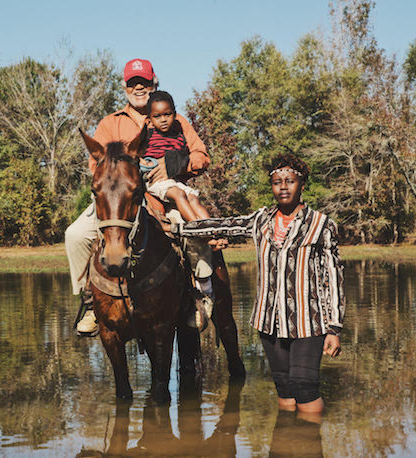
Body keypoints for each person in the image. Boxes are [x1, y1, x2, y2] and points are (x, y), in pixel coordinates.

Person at [65, 58, 221, 336]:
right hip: (118, 202)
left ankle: (198, 296)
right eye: (132, 83)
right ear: (125, 87)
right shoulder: (110, 123)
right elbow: (95, 166)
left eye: (144, 83)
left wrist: (173, 164)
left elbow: (202, 156)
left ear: (153, 83)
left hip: (165, 197)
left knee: (191, 232)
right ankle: (89, 302)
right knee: (75, 235)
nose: (138, 88)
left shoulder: (174, 118)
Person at [178, 153, 345, 412]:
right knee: (284, 386)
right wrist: (178, 229)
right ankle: (284, 441)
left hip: (309, 322)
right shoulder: (261, 220)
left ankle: (310, 441)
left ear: (302, 184)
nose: (283, 187)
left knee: (304, 385)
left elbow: (333, 277)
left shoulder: (322, 225)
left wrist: (334, 329)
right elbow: (223, 225)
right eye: (277, 182)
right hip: (269, 320)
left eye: (290, 181)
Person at [142, 90, 216, 327]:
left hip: (177, 182)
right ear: (149, 117)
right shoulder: (140, 130)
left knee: (192, 200)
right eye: (158, 116)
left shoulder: (181, 125)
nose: (164, 119)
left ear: (174, 112)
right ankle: (94, 302)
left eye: (168, 114)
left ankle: (212, 235)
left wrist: (178, 162)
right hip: (153, 189)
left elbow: (201, 156)